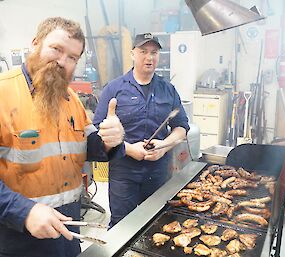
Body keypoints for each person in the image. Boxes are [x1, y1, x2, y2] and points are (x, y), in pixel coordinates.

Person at [0, 17, 125, 257]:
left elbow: (93, 147)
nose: (62, 62)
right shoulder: (3, 93)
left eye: (72, 57)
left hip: (67, 235)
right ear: (35, 44)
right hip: (18, 240)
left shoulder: (71, 99)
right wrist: (23, 211)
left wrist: (112, 139)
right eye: (56, 49)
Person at [93, 32, 190, 227]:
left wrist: (164, 145)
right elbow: (97, 131)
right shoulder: (114, 89)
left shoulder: (168, 90)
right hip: (124, 171)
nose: (149, 57)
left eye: (154, 52)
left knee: (158, 222)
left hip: (158, 171)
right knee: (122, 225)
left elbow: (181, 127)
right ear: (132, 54)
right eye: (143, 51)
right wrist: (129, 149)